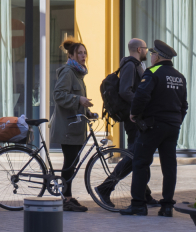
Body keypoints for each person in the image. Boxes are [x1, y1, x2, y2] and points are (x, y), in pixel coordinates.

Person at [120, 39, 188, 217]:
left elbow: (141, 96)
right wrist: (177, 120)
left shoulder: (152, 73)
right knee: (169, 166)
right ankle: (167, 207)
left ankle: (138, 205)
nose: (151, 57)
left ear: (157, 56)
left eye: (152, 54)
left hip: (153, 125)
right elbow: (184, 105)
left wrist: (134, 114)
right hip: (172, 126)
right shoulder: (179, 76)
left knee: (141, 162)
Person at [94, 39, 158, 208]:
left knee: (140, 156)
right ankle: (106, 188)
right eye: (145, 49)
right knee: (134, 157)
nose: (147, 52)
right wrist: (140, 104)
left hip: (136, 117)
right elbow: (124, 91)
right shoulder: (131, 65)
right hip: (134, 118)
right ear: (139, 49)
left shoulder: (135, 65)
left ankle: (145, 194)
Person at [52, 38, 93, 212]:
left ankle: (67, 196)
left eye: (85, 53)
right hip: (67, 127)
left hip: (75, 127)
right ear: (71, 55)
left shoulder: (78, 74)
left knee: (72, 163)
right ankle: (66, 200)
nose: (83, 56)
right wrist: (79, 99)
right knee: (69, 163)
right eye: (80, 53)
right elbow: (59, 95)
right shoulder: (68, 72)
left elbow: (76, 99)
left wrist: (88, 112)